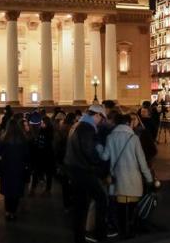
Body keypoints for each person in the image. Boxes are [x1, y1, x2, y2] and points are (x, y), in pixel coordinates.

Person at [98, 113, 153, 239]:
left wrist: (99, 148)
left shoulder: (110, 137)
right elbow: (142, 162)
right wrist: (149, 179)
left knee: (121, 210)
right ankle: (131, 231)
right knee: (132, 209)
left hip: (118, 180)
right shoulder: (134, 138)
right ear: (128, 123)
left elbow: (105, 157)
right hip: (134, 181)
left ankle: (122, 231)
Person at [65, 104, 107, 243]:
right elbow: (89, 152)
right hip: (83, 171)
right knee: (101, 198)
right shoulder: (86, 128)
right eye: (102, 119)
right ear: (97, 115)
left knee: (80, 205)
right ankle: (100, 234)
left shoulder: (77, 125)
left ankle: (79, 236)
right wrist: (100, 165)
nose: (102, 122)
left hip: (74, 169)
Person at [0, 118, 29, 221]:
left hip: (7, 169)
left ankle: (7, 211)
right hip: (19, 169)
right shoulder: (23, 138)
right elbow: (26, 154)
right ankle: (13, 212)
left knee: (8, 192)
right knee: (16, 191)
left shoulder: (4, 139)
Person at [55, 112, 77, 211]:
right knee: (71, 182)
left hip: (62, 159)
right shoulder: (72, 129)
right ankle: (71, 202)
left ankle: (66, 204)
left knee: (65, 183)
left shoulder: (61, 128)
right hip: (70, 159)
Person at [30, 115, 56, 196]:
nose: (41, 123)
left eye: (42, 122)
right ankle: (33, 189)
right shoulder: (41, 130)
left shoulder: (50, 132)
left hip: (47, 156)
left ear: (46, 123)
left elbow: (49, 144)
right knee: (36, 172)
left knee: (48, 174)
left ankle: (47, 190)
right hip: (40, 155)